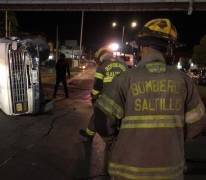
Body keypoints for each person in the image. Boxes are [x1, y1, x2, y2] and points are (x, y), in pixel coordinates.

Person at [95, 18, 206, 179]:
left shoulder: (125, 79)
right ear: (169, 50)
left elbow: (101, 119)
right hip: (170, 171)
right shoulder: (184, 81)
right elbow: (199, 122)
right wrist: (172, 139)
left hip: (127, 171)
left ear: (141, 46)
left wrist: (113, 143)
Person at [79, 49, 127, 141]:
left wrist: (94, 96)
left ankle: (109, 141)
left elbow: (97, 86)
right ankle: (90, 134)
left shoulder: (102, 66)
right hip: (123, 97)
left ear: (101, 57)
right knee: (120, 119)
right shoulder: (123, 64)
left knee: (98, 116)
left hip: (108, 98)